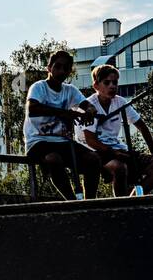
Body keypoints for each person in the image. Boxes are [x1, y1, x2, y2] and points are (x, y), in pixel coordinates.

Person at [24, 50, 100, 200]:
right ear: (49, 68)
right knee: (54, 159)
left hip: (62, 142)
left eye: (65, 68)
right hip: (38, 142)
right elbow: (32, 109)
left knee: (93, 159)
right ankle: (71, 201)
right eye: (57, 67)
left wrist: (90, 112)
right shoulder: (39, 87)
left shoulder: (70, 90)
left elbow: (87, 105)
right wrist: (63, 113)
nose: (61, 71)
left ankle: (90, 202)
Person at [77, 63, 153, 196]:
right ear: (96, 86)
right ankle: (120, 205)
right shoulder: (90, 105)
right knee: (120, 168)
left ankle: (133, 199)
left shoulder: (120, 102)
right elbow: (90, 140)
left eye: (115, 82)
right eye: (107, 83)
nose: (112, 86)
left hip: (116, 147)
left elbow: (141, 126)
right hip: (94, 151)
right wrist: (114, 153)